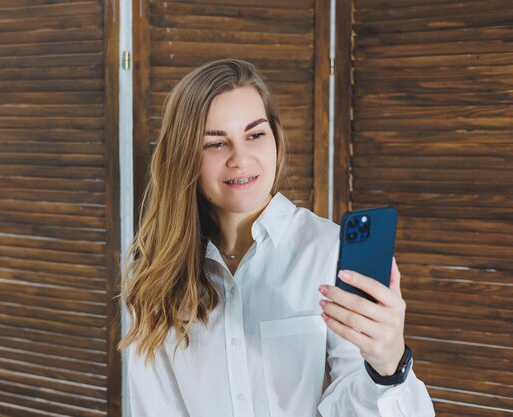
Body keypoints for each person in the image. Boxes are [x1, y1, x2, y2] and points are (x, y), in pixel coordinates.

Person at [117, 58, 435, 417]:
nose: (240, 158)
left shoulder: (328, 250)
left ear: (275, 139)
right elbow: (153, 406)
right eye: (215, 144)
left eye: (255, 134)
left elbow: (353, 405)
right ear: (184, 157)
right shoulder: (151, 267)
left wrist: (387, 365)